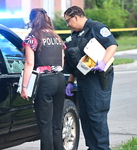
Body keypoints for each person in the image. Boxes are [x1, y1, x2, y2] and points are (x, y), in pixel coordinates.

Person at [63, 6, 118, 150]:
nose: (67, 24)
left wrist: (103, 62)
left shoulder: (96, 28)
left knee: (96, 115)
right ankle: (92, 147)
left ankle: (102, 148)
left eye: (68, 21)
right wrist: (70, 81)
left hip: (97, 79)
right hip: (83, 79)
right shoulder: (75, 35)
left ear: (76, 17)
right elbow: (75, 61)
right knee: (85, 115)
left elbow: (112, 45)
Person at [20, 8, 66, 150]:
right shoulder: (56, 37)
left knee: (45, 124)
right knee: (56, 123)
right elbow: (62, 61)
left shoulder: (33, 37)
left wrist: (24, 87)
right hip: (59, 79)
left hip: (45, 82)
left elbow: (29, 63)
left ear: (32, 20)